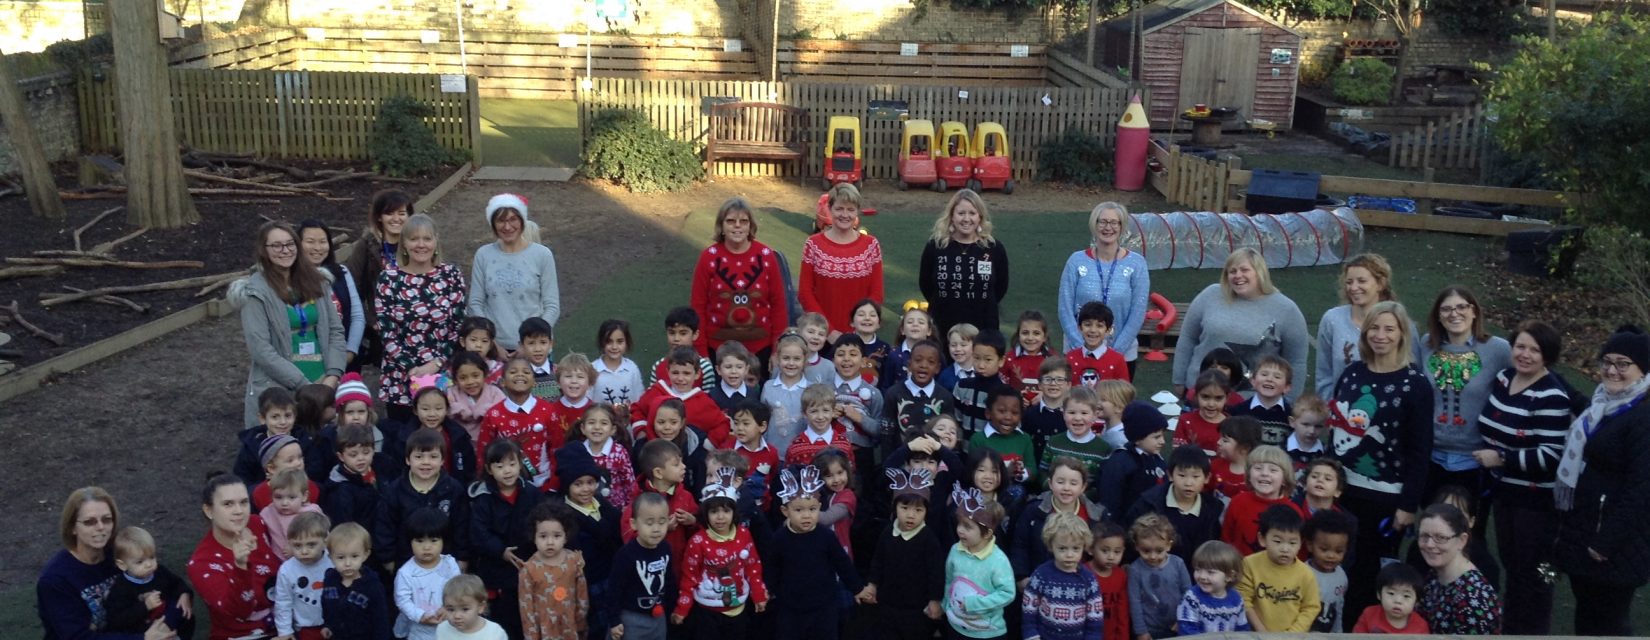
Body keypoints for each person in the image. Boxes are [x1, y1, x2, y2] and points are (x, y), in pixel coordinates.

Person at [1327, 300, 1432, 618]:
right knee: (1339, 564)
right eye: (1374, 327)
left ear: (1402, 334)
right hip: (1344, 492)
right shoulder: (1353, 372)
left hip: (1386, 498)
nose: (1380, 335)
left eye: (1389, 328)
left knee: (1373, 572)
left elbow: (1420, 449)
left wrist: (1407, 505)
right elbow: (1337, 425)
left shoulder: (1415, 384)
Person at [1475, 319, 1572, 635]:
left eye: (1535, 349)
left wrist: (1501, 457)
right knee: (1514, 570)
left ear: (1548, 356)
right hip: (1506, 496)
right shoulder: (1504, 379)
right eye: (1520, 346)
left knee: (1537, 577)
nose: (1526, 355)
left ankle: (1533, 632)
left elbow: (1551, 455)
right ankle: (1513, 628)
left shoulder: (1552, 396)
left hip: (1537, 504)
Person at [1554, 325, 1650, 636]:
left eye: (1623, 364)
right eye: (1607, 361)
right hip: (1587, 532)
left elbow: (1642, 488)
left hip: (1613, 544)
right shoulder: (1603, 405)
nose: (1612, 370)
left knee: (1609, 623)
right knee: (1589, 618)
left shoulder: (1642, 416)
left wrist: (1606, 541)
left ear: (1643, 369)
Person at [233, 221, 347, 427]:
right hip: (281, 387)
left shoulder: (317, 282)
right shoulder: (254, 293)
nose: (285, 250)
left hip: (323, 380)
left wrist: (332, 376)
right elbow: (261, 350)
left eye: (290, 244)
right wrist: (304, 385)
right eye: (276, 246)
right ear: (263, 251)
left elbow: (336, 331)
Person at [1415, 286, 1509, 530]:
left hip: (1474, 460)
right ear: (1438, 316)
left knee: (1468, 531)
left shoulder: (1497, 349)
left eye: (1461, 307)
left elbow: (1532, 374)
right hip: (1432, 457)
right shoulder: (1426, 345)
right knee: (1433, 527)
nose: (1454, 314)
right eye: (1446, 309)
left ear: (1474, 311)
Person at [38, 487, 176, 640]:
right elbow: (77, 637)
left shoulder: (118, 552)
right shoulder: (55, 580)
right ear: (72, 528)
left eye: (106, 519)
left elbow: (162, 579)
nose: (100, 527)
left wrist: (182, 595)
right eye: (89, 522)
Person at [1171, 248, 1309, 401]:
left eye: (1244, 270)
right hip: (1201, 394)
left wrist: (1290, 400)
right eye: (1232, 271)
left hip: (1252, 402)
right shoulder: (1210, 295)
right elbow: (1187, 338)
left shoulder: (1286, 309)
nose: (1238, 276)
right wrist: (1179, 380)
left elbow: (1296, 361)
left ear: (1259, 272)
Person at [376, 213, 468, 422]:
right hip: (400, 375)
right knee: (402, 441)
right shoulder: (389, 278)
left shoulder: (450, 275)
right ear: (404, 244)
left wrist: (436, 364)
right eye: (414, 239)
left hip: (441, 371)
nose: (421, 245)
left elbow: (458, 324)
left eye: (427, 239)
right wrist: (412, 368)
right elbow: (386, 329)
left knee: (440, 440)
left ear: (436, 242)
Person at [691, 197, 790, 366]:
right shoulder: (708, 257)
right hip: (718, 352)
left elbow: (778, 305)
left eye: (743, 221)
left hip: (761, 351)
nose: (737, 226)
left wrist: (777, 349)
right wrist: (701, 352)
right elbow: (697, 306)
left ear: (750, 226)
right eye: (730, 221)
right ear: (721, 226)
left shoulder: (766, 256)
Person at [770, 466, 864, 640]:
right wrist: (769, 591)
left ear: (819, 508)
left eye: (812, 510)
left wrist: (857, 588)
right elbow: (773, 568)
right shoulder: (779, 538)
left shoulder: (826, 535)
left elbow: (842, 563)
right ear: (785, 511)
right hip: (791, 607)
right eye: (799, 510)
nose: (806, 515)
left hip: (824, 605)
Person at [672, 466, 767, 639]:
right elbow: (689, 576)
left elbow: (753, 566)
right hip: (707, 611)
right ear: (705, 514)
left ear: (734, 512)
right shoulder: (698, 541)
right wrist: (682, 608)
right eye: (714, 511)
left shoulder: (744, 534)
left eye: (726, 511)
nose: (720, 517)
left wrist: (759, 594)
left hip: (738, 608)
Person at [1057, 202, 1150, 377]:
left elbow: (1138, 312)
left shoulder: (1137, 264)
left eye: (1114, 222)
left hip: (1121, 353)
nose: (1108, 228)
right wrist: (1082, 348)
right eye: (1103, 222)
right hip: (1078, 352)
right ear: (1094, 224)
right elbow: (1064, 308)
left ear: (1122, 227)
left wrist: (1114, 352)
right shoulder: (1076, 261)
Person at [188, 473, 283, 640]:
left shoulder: (258, 524)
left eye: (244, 502)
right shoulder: (202, 563)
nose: (239, 511)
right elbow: (238, 611)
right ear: (209, 510)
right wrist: (241, 568)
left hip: (287, 626)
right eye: (228, 504)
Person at [468, 193, 560, 352]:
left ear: (522, 221)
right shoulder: (483, 255)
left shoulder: (542, 255)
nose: (507, 227)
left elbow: (551, 306)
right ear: (493, 224)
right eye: (501, 221)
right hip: (494, 349)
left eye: (513, 219)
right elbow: (475, 304)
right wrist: (492, 343)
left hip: (534, 350)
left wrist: (531, 343)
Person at [860, 467, 945, 640]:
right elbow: (878, 561)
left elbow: (936, 573)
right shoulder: (887, 532)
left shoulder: (929, 539)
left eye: (918, 510)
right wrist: (872, 584)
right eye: (905, 508)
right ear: (895, 507)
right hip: (887, 604)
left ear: (926, 512)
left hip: (917, 608)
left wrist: (935, 600)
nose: (911, 515)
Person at [918, 189, 1010, 339]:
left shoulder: (994, 248)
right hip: (942, 326)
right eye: (961, 213)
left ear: (980, 217)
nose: (966, 219)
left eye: (972, 213)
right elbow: (926, 284)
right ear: (952, 216)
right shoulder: (935, 247)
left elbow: (1000, 287)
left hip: (984, 326)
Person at [800, 183, 884, 338]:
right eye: (839, 209)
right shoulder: (813, 244)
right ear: (830, 209)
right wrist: (829, 332)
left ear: (857, 212)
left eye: (850, 209)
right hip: (821, 336)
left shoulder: (871, 245)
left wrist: (860, 329)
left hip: (860, 336)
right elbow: (805, 293)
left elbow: (877, 293)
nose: (845, 215)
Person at [343, 188, 413, 374]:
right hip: (383, 327)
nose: (396, 219)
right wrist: (370, 319)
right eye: (389, 213)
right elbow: (351, 287)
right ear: (379, 217)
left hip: (415, 323)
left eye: (402, 213)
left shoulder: (417, 243)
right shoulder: (367, 245)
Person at [1314, 254, 1398, 397]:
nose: (1353, 287)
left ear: (1380, 284)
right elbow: (1324, 373)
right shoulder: (1333, 320)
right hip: (1342, 411)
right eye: (1349, 282)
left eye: (1361, 281)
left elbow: (1412, 370)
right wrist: (1331, 409)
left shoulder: (1399, 321)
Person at [1414, 503, 1501, 635]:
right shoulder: (1435, 575)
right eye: (1424, 536)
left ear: (1462, 540)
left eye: (1441, 538)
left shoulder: (1473, 599)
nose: (1430, 544)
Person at [943, 485, 1014, 640]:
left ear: (987, 533)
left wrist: (974, 604)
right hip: (956, 627)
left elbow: (1008, 594)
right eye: (959, 524)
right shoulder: (955, 550)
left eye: (967, 527)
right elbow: (949, 580)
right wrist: (946, 605)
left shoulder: (998, 560)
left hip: (987, 633)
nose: (960, 530)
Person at [1020, 513, 1103, 640]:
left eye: (1075, 548)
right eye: (1062, 548)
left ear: (1084, 547)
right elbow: (1029, 609)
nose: (1069, 554)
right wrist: (1031, 634)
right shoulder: (1041, 575)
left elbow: (1095, 617)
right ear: (1051, 546)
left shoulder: (1088, 579)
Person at [298, 219, 366, 373]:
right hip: (306, 361)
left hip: (344, 358)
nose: (317, 248)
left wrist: (350, 351)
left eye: (323, 242)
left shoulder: (341, 272)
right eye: (310, 242)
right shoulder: (291, 279)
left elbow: (357, 316)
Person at [105, 526, 195, 639]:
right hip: (142, 630)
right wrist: (145, 606)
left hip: (167, 620)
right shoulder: (121, 588)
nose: (148, 564)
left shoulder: (159, 572)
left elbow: (176, 583)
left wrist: (184, 594)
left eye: (151, 557)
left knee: (183, 611)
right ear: (122, 565)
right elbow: (116, 620)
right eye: (140, 561)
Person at [519, 503, 589, 640]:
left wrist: (581, 624)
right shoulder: (528, 570)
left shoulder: (573, 561)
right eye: (543, 536)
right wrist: (531, 636)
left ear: (566, 536)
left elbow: (582, 596)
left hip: (571, 628)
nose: (550, 542)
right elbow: (526, 609)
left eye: (557, 536)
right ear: (534, 536)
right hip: (544, 633)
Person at [393, 508, 463, 640]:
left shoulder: (450, 564)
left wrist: (448, 608)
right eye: (420, 541)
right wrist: (420, 616)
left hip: (449, 625)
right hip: (418, 630)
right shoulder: (406, 572)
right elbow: (402, 600)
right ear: (410, 542)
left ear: (443, 540)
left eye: (433, 540)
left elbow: (458, 590)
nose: (426, 547)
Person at [319, 522, 391, 640]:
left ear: (365, 554)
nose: (348, 563)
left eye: (354, 556)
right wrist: (327, 625)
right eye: (341, 557)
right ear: (331, 557)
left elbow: (381, 621)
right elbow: (326, 606)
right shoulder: (330, 580)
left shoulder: (372, 586)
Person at [271, 512, 331, 640]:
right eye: (297, 545)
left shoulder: (333, 562)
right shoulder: (287, 570)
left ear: (325, 541)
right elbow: (283, 602)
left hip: (335, 624)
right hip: (305, 628)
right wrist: (284, 632)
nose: (304, 551)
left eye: (311, 545)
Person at [1176, 540, 1250, 634]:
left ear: (1229, 576)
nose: (1202, 576)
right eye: (1198, 570)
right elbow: (1186, 630)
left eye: (1210, 572)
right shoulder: (1192, 598)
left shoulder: (1236, 599)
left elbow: (1242, 629)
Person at [1351, 563, 1429, 634]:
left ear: (1416, 602)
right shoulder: (1369, 615)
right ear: (1379, 594)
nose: (1398, 601)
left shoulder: (1421, 626)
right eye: (1391, 593)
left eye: (1406, 596)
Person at [439, 575, 510, 640]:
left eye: (465, 609)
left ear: (481, 607)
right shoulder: (442, 629)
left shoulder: (494, 633)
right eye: (451, 609)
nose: (457, 616)